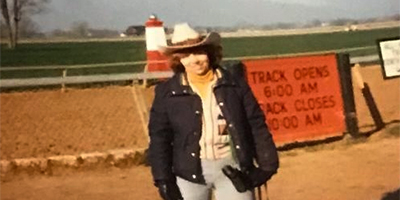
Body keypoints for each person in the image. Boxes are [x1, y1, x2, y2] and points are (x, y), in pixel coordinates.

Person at [148, 23, 279, 200]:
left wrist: (267, 167)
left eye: (199, 52)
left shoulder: (235, 85)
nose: (194, 60)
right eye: (186, 55)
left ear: (209, 52)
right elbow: (159, 138)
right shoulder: (166, 93)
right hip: (188, 173)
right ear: (178, 59)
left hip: (233, 169)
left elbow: (256, 125)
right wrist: (163, 179)